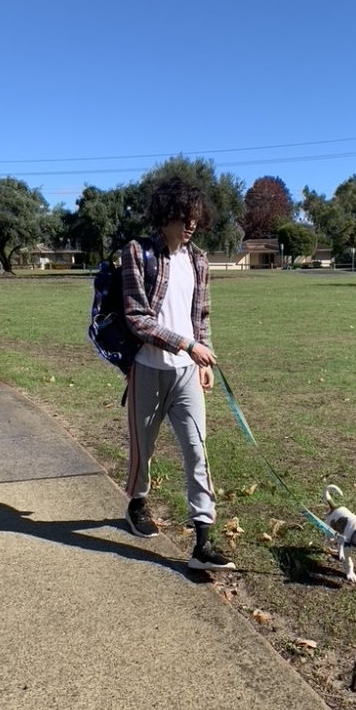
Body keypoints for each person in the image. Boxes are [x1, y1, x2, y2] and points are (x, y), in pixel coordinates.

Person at [120, 176, 235, 572]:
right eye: (184, 216)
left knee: (197, 451)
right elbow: (137, 317)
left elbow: (199, 316)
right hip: (148, 370)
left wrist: (201, 358)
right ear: (165, 213)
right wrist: (187, 345)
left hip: (187, 373)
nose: (191, 225)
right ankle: (137, 503)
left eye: (196, 218)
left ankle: (202, 543)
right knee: (143, 450)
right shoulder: (138, 252)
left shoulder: (198, 260)